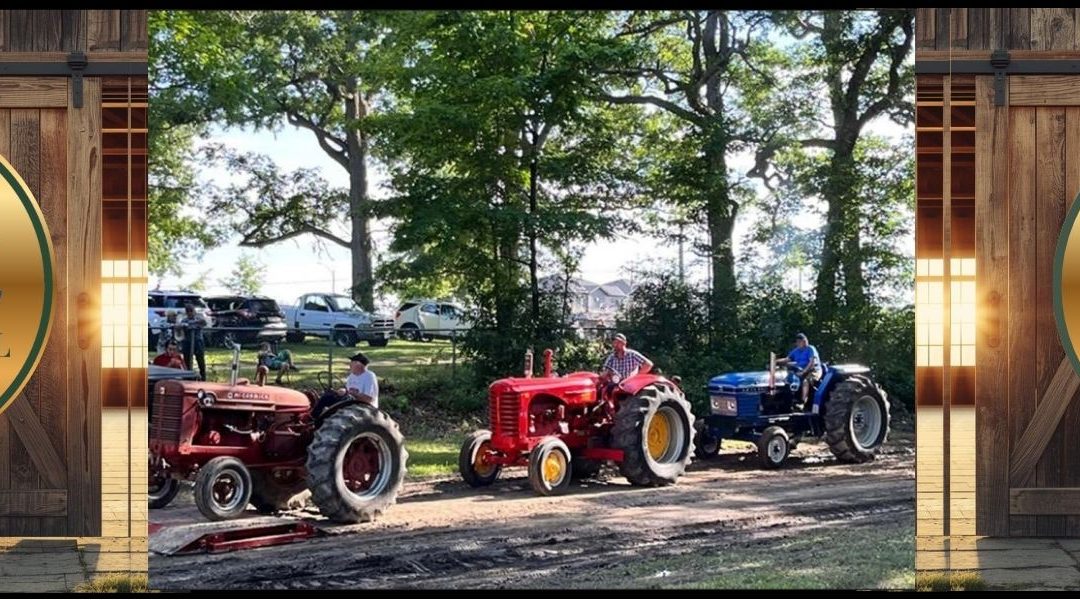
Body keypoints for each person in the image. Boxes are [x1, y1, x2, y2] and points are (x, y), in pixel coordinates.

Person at [312, 352, 379, 419]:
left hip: (363, 406)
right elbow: (348, 391)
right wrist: (342, 391)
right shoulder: (352, 376)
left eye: (352, 362)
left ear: (358, 364)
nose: (349, 365)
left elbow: (369, 399)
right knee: (327, 397)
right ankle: (313, 418)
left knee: (340, 401)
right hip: (351, 401)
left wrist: (350, 393)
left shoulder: (369, 376)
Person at [776, 332, 823, 409]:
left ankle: (802, 402)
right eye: (798, 342)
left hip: (813, 371)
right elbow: (787, 359)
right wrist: (775, 361)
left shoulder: (810, 349)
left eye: (801, 341)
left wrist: (803, 372)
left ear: (805, 341)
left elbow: (812, 362)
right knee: (787, 380)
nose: (799, 343)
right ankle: (788, 402)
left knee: (805, 381)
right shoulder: (796, 350)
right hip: (800, 371)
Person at [179, 303, 208, 381]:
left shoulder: (199, 318)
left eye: (192, 311)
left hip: (198, 342)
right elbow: (181, 327)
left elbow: (204, 323)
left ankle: (203, 377)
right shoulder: (184, 320)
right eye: (188, 311)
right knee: (187, 361)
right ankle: (187, 377)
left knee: (200, 360)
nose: (190, 313)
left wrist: (195, 323)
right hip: (187, 342)